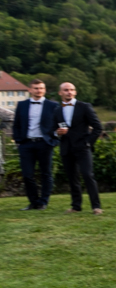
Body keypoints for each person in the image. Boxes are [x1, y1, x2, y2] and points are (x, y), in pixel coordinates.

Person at [13, 78, 60, 210]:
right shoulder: (22, 105)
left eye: (41, 88)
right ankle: (33, 202)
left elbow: (60, 123)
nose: (39, 90)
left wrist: (55, 139)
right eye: (36, 88)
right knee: (27, 175)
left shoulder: (53, 105)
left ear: (44, 90)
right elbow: (16, 124)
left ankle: (43, 202)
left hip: (45, 143)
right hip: (26, 144)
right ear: (30, 90)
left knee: (46, 174)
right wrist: (18, 141)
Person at [57, 82, 103, 214]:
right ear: (60, 93)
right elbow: (51, 129)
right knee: (72, 178)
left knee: (88, 175)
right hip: (66, 148)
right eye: (66, 90)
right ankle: (76, 206)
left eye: (72, 90)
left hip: (83, 148)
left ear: (75, 92)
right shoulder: (57, 110)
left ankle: (96, 206)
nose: (69, 92)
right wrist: (57, 132)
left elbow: (98, 127)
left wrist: (88, 143)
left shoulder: (84, 107)